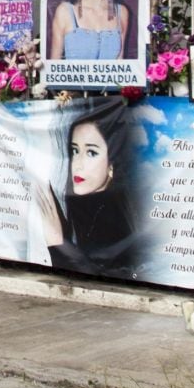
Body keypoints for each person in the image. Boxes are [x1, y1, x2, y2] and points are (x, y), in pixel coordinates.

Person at [32, 99, 143, 279]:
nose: (78, 164)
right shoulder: (77, 202)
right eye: (74, 151)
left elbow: (107, 277)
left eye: (91, 152)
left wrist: (56, 242)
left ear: (111, 165)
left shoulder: (117, 218)